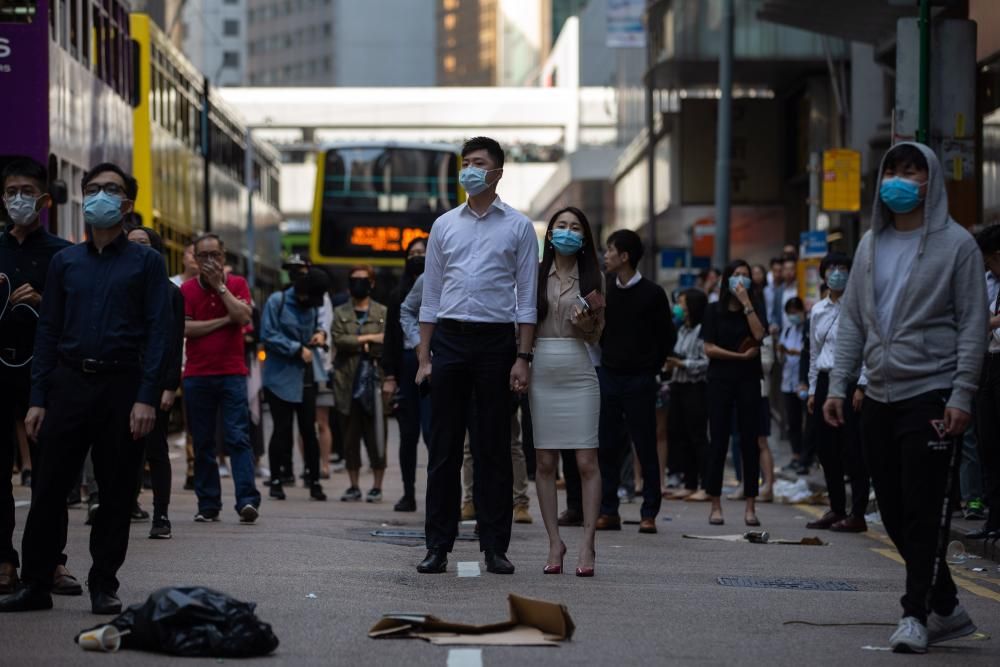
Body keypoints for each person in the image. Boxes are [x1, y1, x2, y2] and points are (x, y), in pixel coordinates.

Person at [824, 142, 985, 653]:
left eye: (911, 170)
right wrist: (838, 384)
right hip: (877, 393)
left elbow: (973, 326)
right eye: (892, 169)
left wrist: (961, 394)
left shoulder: (957, 245)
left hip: (932, 394)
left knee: (926, 508)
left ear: (929, 179)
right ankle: (947, 606)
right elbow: (851, 321)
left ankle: (915, 615)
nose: (899, 178)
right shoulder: (871, 243)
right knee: (890, 508)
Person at [0, 163, 169, 615]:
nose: (100, 196)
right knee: (49, 489)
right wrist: (38, 399)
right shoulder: (65, 262)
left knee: (115, 492)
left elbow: (158, 334)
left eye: (111, 190)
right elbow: (48, 331)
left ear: (127, 204)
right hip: (68, 384)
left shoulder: (147, 262)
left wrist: (147, 396)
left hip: (122, 386)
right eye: (92, 189)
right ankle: (35, 583)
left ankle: (103, 584)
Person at [416, 136, 538, 575]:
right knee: (444, 450)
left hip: (496, 345)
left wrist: (522, 356)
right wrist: (424, 357)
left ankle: (494, 546)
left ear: (497, 172)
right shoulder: (445, 225)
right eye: (465, 162)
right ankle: (437, 546)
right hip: (449, 339)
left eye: (478, 163)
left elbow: (527, 299)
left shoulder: (519, 227)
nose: (469, 169)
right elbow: (430, 296)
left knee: (494, 450)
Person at [0, 157, 78, 597]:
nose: (18, 200)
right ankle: (4, 562)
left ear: (45, 200)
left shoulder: (64, 255)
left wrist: (44, 299)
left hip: (44, 376)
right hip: (0, 371)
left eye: (27, 192)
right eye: (11, 192)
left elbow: (75, 315)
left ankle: (52, 563)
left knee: (51, 472)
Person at [529, 206, 603, 576]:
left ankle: (588, 543)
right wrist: (520, 361)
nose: (568, 232)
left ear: (585, 237)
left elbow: (596, 335)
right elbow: (523, 323)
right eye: (561, 226)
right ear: (550, 233)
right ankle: (554, 541)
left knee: (586, 461)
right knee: (544, 462)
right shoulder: (535, 274)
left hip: (578, 368)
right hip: (542, 369)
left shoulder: (593, 278)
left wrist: (587, 322)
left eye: (575, 227)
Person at [595, 230, 675, 534]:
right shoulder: (605, 292)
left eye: (610, 250)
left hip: (641, 379)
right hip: (610, 375)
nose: (606, 256)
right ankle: (608, 510)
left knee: (645, 445)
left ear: (625, 256)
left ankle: (649, 511)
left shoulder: (653, 294)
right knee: (608, 446)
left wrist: (649, 368)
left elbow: (667, 337)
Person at [181, 233, 261, 524]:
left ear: (223, 256)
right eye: (203, 256)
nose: (210, 261)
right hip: (197, 375)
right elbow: (187, 330)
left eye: (215, 255)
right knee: (202, 442)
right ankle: (208, 504)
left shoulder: (237, 284)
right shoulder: (187, 290)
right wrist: (226, 320)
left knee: (238, 438)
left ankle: (247, 501)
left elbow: (244, 317)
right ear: (195, 259)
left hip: (232, 373)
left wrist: (220, 288)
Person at [125, 224, 184, 539]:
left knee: (155, 448)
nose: (137, 248)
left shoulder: (170, 293)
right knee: (121, 449)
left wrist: (169, 385)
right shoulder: (119, 285)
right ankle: (125, 505)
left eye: (143, 243)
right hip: (120, 378)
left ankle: (161, 514)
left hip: (154, 381)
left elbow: (174, 343)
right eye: (131, 243)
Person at [805, 254, 869, 533]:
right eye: (832, 268)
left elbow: (869, 347)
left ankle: (858, 513)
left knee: (853, 449)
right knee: (826, 449)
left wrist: (863, 385)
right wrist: (811, 390)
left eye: (843, 268)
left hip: (851, 383)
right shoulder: (818, 309)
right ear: (823, 274)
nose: (837, 273)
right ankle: (837, 508)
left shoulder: (859, 306)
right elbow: (814, 353)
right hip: (823, 381)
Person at [702, 260, 767, 527]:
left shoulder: (755, 307)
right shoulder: (713, 310)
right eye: (736, 275)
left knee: (750, 441)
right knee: (718, 441)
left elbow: (760, 334)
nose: (741, 280)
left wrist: (746, 303)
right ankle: (715, 505)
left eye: (746, 275)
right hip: (720, 380)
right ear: (726, 279)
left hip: (749, 381)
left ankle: (750, 506)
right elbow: (709, 348)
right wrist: (738, 356)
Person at [261, 267, 331, 502]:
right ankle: (277, 480)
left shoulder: (311, 305)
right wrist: (295, 348)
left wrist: (319, 334)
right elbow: (268, 334)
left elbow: (314, 327)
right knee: (281, 430)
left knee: (308, 431)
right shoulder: (277, 301)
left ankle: (314, 481)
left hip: (304, 376)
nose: (310, 303)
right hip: (279, 376)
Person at [382, 238, 430, 512]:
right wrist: (390, 375)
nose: (416, 257)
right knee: (407, 433)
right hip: (406, 363)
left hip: (433, 362)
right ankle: (408, 493)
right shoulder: (398, 294)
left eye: (421, 253)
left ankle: (438, 493)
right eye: (411, 254)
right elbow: (391, 336)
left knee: (432, 431)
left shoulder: (437, 283)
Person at [332, 265, 387, 502]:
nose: (359, 284)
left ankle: (377, 486)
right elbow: (339, 340)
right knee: (350, 437)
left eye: (364, 280)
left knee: (376, 435)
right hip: (347, 381)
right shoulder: (340, 312)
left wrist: (359, 341)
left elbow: (387, 341)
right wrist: (368, 339)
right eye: (354, 280)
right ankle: (353, 486)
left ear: (372, 283)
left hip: (374, 382)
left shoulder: (382, 312)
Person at [664, 289, 709, 501]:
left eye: (682, 303)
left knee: (698, 437)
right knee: (681, 435)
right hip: (678, 386)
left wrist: (683, 363)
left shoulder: (703, 331)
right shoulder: (682, 330)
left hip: (696, 388)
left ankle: (706, 485)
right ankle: (689, 483)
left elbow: (706, 362)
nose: (679, 308)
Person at [970, 224, 1000, 540]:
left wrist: (988, 322)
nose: (986, 266)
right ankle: (994, 519)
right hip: (985, 363)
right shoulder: (986, 282)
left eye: (989, 260)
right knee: (987, 443)